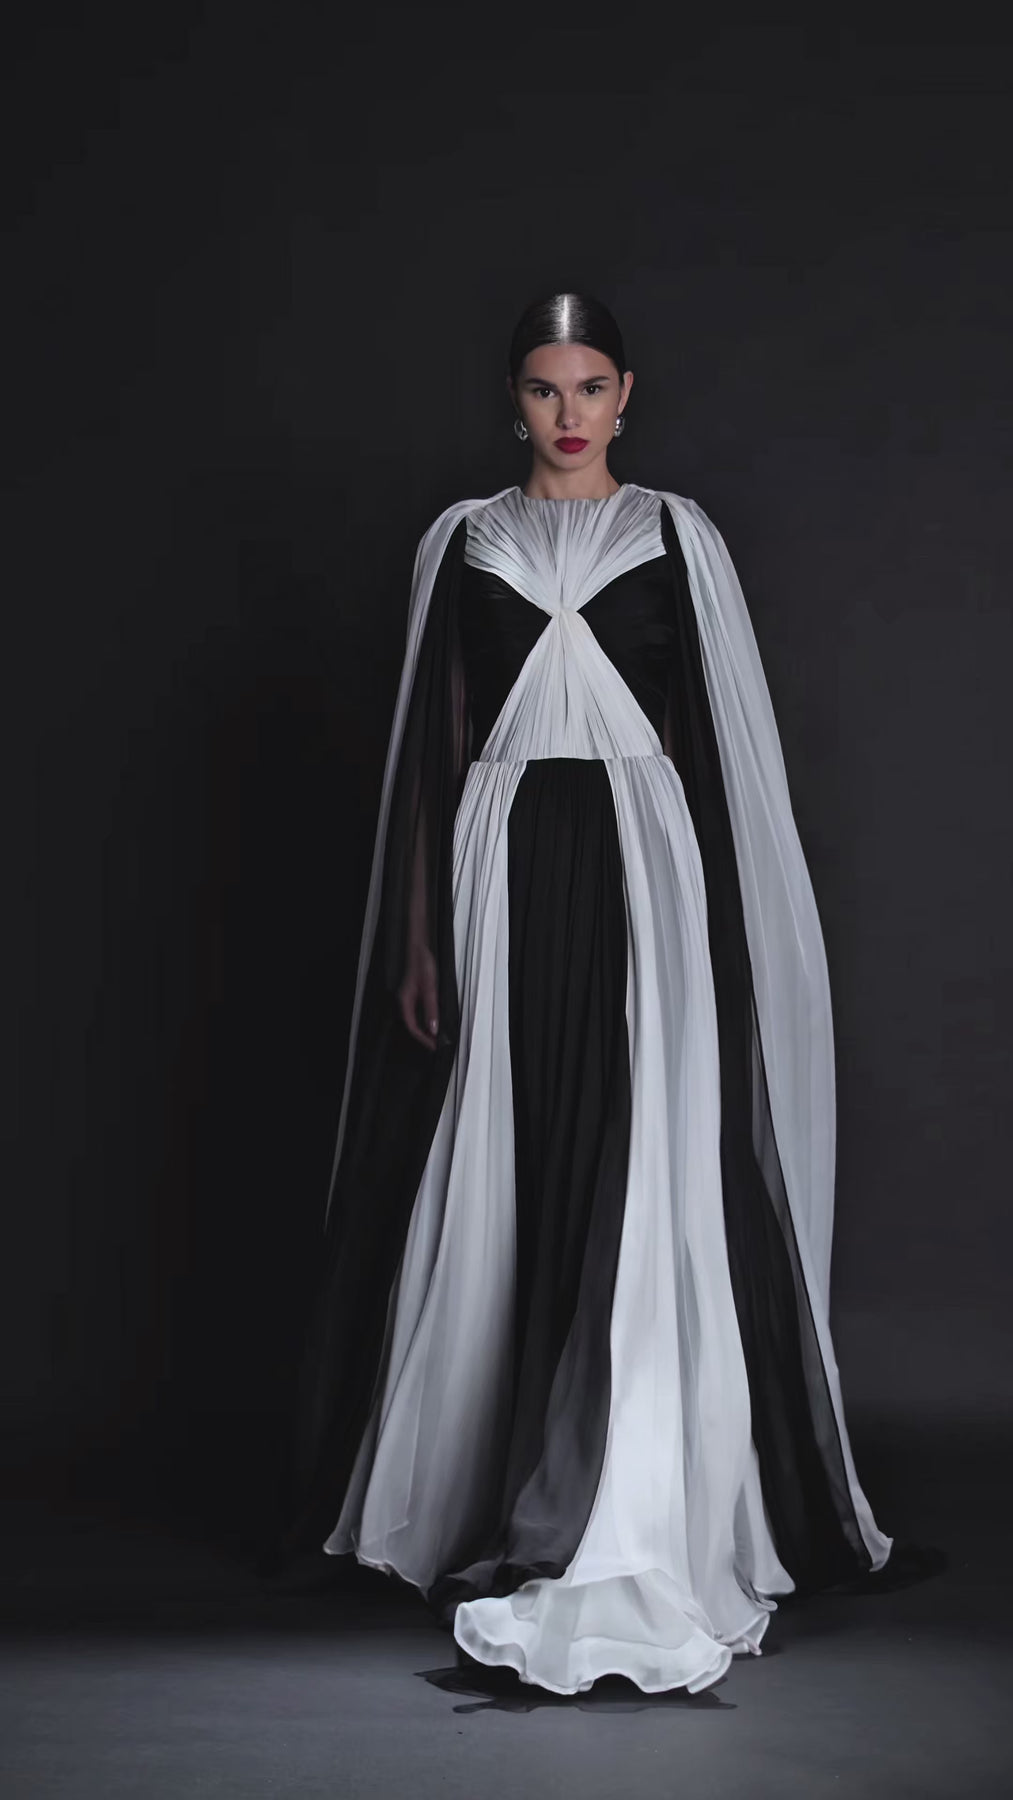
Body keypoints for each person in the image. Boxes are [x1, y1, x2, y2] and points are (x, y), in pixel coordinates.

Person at [281, 291, 895, 1696]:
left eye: (592, 387)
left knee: (637, 1144)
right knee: (511, 1144)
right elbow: (433, 752)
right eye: (544, 389)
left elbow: (716, 750)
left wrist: (722, 945)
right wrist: (421, 942)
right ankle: (492, 1476)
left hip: (640, 860)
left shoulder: (679, 537)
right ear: (513, 402)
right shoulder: (465, 540)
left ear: (628, 395)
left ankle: (629, 1476)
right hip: (500, 854)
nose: (569, 414)